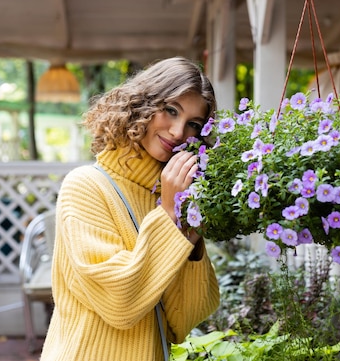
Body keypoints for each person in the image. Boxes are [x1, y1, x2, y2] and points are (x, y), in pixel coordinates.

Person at [40, 57, 221, 361]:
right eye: (171, 110)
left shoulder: (172, 198)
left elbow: (183, 321)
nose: (178, 132)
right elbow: (120, 304)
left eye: (193, 124)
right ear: (141, 105)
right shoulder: (85, 187)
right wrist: (167, 216)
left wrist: (189, 236)